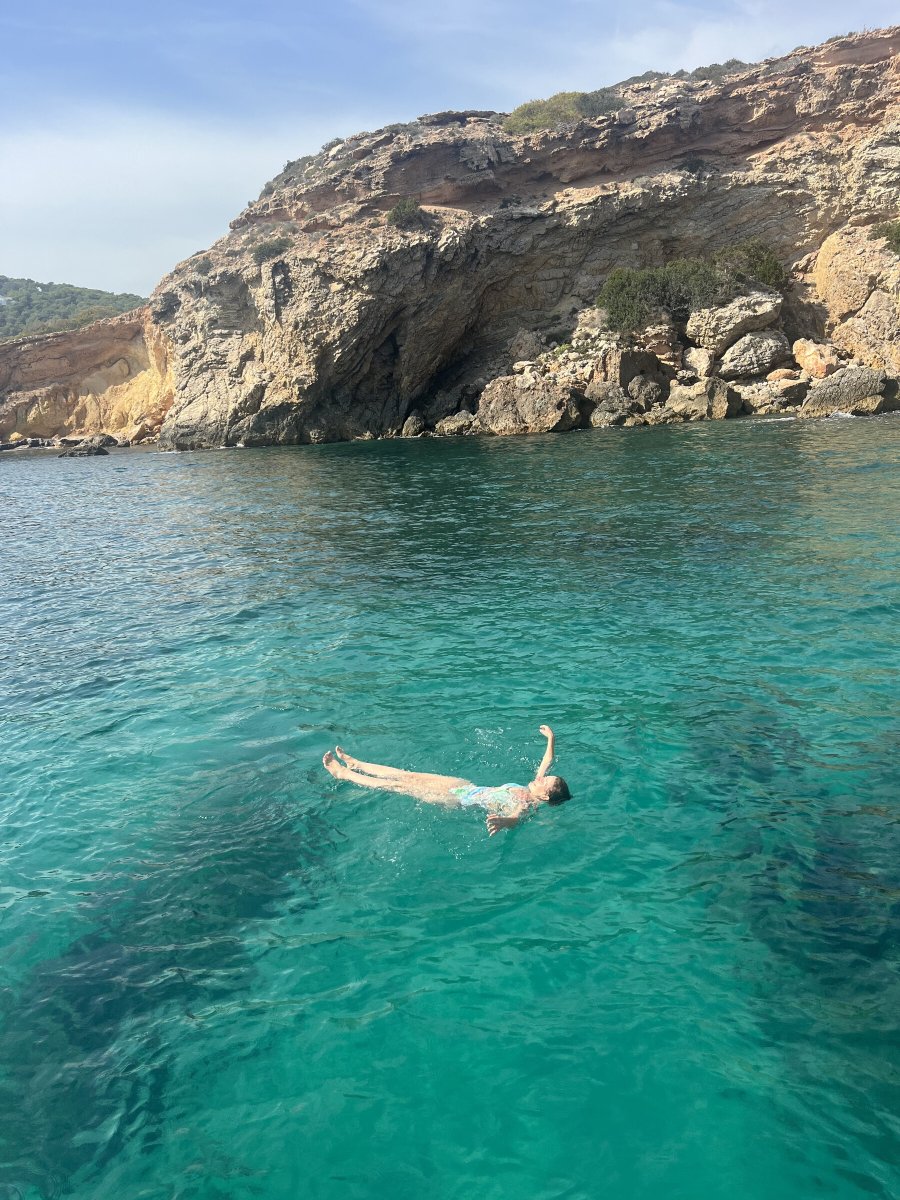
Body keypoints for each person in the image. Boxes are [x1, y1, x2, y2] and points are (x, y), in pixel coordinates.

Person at [322, 724, 570, 836]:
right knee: (407, 775)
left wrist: (505, 822)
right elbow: (546, 761)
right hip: (463, 786)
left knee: (397, 785)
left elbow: (517, 818)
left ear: (545, 796)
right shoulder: (533, 787)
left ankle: (343, 773)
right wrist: (551, 739)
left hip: (454, 800)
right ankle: (357, 763)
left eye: (544, 781)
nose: (541, 778)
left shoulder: (527, 803)